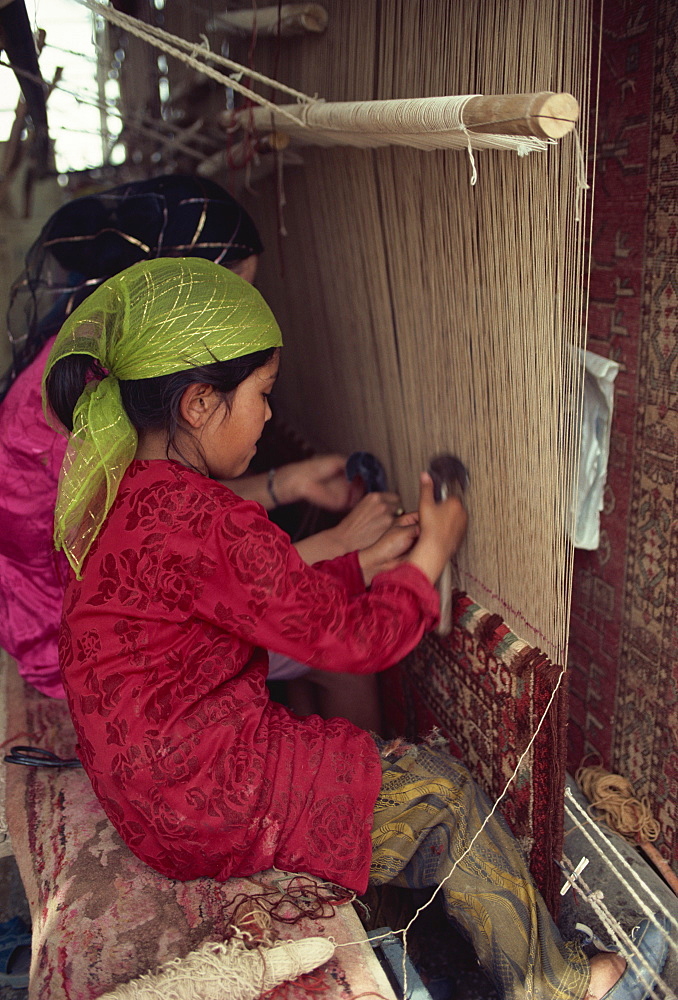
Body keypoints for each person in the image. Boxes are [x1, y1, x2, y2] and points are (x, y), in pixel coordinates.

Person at [43, 257, 667, 1000]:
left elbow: (256, 602)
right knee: (439, 794)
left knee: (338, 750)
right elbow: (355, 643)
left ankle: (398, 896)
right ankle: (558, 985)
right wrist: (432, 549)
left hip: (144, 795)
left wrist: (364, 563)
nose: (270, 416)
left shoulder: (125, 497)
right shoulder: (213, 522)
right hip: (199, 798)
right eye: (263, 396)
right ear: (200, 404)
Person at [0, 175, 395, 728]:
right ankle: (368, 796)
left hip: (86, 627)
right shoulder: (89, 404)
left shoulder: (99, 363)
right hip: (77, 646)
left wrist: (287, 484)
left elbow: (160, 520)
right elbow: (181, 573)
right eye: (226, 293)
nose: (243, 315)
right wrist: (346, 548)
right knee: (335, 652)